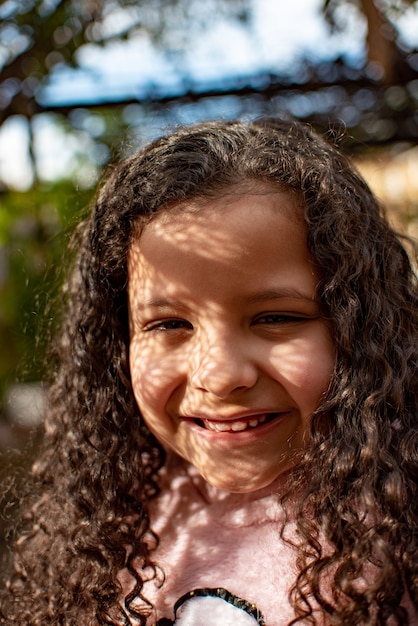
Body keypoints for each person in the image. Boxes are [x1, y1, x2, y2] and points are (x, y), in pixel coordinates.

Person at [0, 118, 416, 626]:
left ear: (361, 328)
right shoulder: (108, 521)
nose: (219, 376)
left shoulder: (399, 530)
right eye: (170, 324)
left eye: (276, 317)